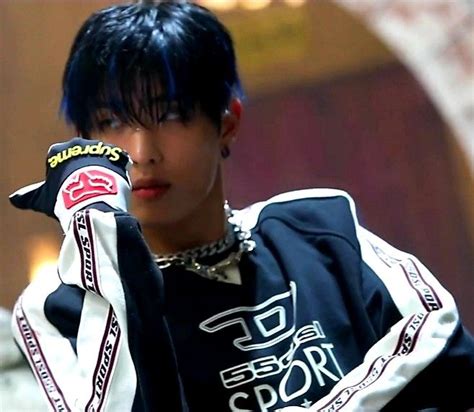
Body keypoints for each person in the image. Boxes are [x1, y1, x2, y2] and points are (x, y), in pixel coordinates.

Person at [9, 1, 474, 411]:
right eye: (111, 122)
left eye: (170, 115)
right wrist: (100, 243)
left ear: (227, 123)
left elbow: (445, 351)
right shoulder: (60, 304)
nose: (141, 152)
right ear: (85, 144)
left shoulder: (319, 228)